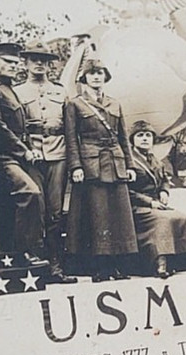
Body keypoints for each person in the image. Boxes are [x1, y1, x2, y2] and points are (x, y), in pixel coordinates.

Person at [0, 42, 63, 280]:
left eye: (14, 62)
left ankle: (48, 264)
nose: (13, 66)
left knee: (51, 211)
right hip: (4, 156)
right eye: (8, 62)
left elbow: (21, 126)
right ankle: (25, 254)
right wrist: (24, 150)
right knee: (30, 194)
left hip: (26, 154)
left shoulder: (8, 89)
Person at [63, 58, 139, 281]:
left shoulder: (115, 104)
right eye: (92, 73)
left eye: (100, 73)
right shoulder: (75, 104)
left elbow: (123, 137)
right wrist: (76, 166)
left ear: (105, 77)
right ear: (84, 78)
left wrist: (130, 165)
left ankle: (118, 266)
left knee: (119, 216)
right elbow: (71, 139)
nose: (96, 77)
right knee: (98, 216)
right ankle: (100, 267)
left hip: (115, 164)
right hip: (91, 164)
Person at [14, 41, 76, 283]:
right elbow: (16, 128)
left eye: (43, 59)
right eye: (33, 59)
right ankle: (36, 266)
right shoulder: (18, 91)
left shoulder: (61, 91)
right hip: (32, 156)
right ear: (26, 62)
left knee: (56, 212)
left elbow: (70, 128)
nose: (39, 63)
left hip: (57, 154)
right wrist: (28, 148)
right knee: (35, 211)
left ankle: (56, 268)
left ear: (50, 64)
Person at [127, 120, 186, 278]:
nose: (145, 139)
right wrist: (150, 202)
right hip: (136, 207)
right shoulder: (129, 161)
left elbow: (165, 180)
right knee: (164, 220)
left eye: (148, 135)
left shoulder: (155, 160)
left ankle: (181, 261)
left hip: (156, 205)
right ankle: (159, 263)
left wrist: (164, 192)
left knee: (180, 217)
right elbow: (127, 191)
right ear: (132, 140)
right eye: (140, 135)